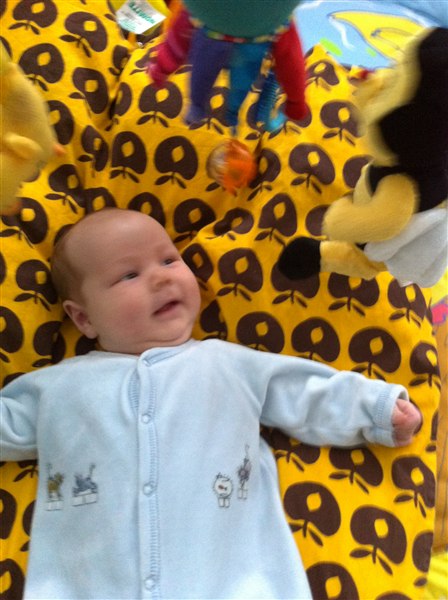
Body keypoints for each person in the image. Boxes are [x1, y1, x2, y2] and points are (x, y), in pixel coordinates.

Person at [1, 208, 421, 600]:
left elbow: (304, 391)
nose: (160, 278)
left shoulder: (227, 365)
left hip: (232, 581)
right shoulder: (58, 387)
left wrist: (376, 409)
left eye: (169, 260)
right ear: (83, 318)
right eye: (129, 275)